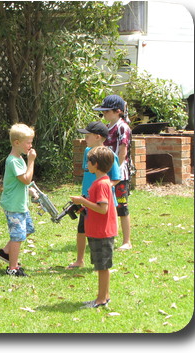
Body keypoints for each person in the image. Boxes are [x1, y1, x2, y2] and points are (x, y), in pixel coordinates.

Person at [66, 121, 120, 270]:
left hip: (101, 201)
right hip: (87, 199)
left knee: (101, 231)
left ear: (97, 137)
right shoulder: (88, 152)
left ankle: (103, 261)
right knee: (81, 229)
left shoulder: (109, 156)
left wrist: (103, 188)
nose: (85, 139)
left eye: (87, 136)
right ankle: (79, 259)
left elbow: (116, 177)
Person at [70, 146, 118, 308]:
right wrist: (83, 207)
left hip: (102, 232)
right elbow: (96, 205)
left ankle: (100, 300)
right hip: (97, 231)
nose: (86, 164)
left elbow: (103, 209)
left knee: (102, 267)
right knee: (101, 265)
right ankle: (105, 296)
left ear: (96, 164)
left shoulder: (102, 184)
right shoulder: (99, 182)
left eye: (88, 161)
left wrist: (83, 201)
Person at [0, 123, 37, 277]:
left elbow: (23, 183)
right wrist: (31, 161)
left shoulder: (19, 158)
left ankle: (6, 252)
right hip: (13, 205)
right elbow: (26, 179)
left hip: (20, 204)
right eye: (28, 142)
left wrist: (31, 191)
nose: (31, 145)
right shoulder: (13, 161)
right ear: (17, 143)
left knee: (28, 229)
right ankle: (12, 268)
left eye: (31, 142)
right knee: (17, 236)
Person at [94, 94, 133, 251]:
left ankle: (127, 241)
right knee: (106, 205)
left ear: (118, 111)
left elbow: (122, 151)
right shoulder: (107, 127)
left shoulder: (122, 127)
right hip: (106, 174)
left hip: (120, 175)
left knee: (122, 207)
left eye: (107, 111)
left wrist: (115, 170)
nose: (104, 114)